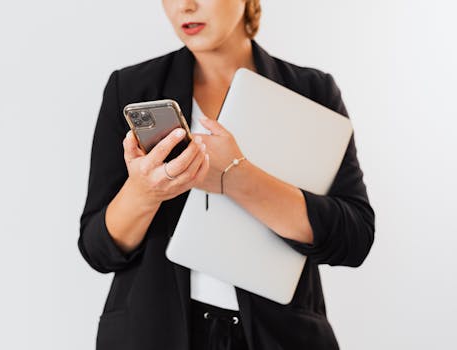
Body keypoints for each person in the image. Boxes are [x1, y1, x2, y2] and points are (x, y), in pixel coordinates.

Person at [78, 0, 375, 349]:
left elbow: (354, 237)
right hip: (153, 333)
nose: (185, 7)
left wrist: (237, 177)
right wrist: (145, 192)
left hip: (281, 337)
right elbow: (97, 248)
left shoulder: (312, 91)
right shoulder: (130, 89)